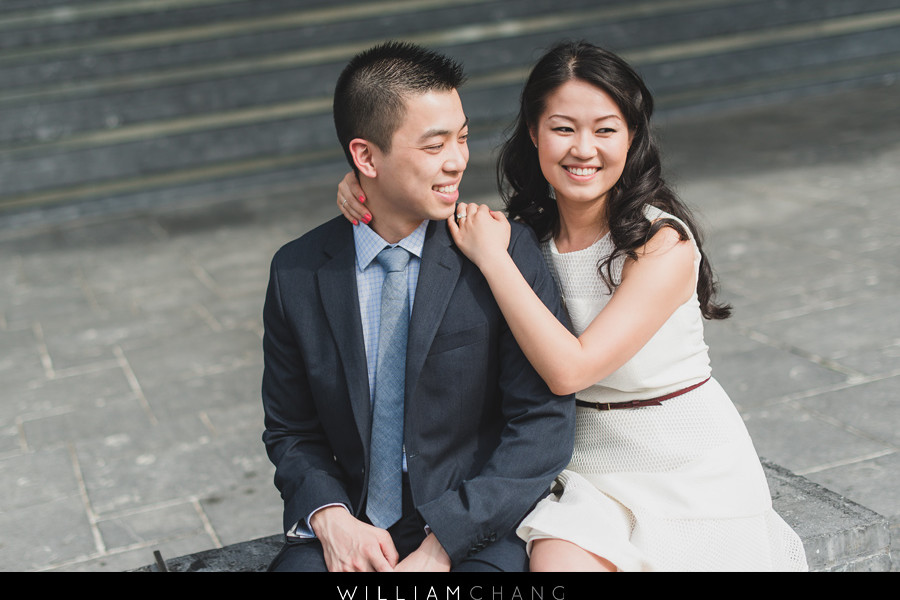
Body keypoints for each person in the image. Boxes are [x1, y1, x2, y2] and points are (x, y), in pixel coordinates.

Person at [336, 40, 808, 572]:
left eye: (605, 129)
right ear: (534, 133)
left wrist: (495, 263)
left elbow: (571, 370)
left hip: (681, 460)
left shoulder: (660, 243)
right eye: (563, 128)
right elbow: (419, 201)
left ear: (631, 138)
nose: (584, 149)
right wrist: (363, 185)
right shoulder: (522, 234)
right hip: (579, 468)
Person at [261, 41, 575, 572]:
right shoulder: (298, 271)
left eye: (463, 137)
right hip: (354, 521)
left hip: (473, 524)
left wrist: (443, 543)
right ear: (365, 157)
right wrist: (331, 518)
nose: (457, 161)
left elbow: (542, 422)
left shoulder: (499, 249)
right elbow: (291, 430)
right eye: (434, 146)